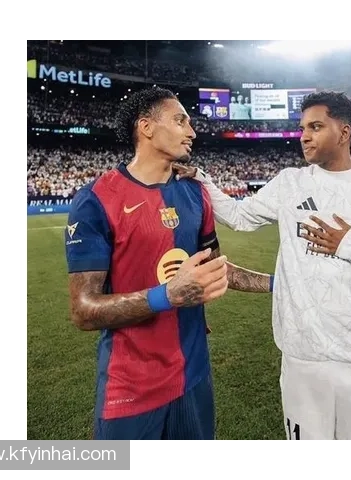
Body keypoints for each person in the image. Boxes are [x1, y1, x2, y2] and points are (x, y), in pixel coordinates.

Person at [174, 91, 351, 440]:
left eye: (316, 127)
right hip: (302, 357)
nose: (304, 136)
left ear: (344, 132)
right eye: (302, 128)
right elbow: (239, 216)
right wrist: (202, 179)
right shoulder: (290, 183)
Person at [64, 87, 273, 441]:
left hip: (193, 374)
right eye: (180, 121)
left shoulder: (196, 193)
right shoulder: (97, 200)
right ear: (146, 127)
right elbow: (83, 310)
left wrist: (277, 282)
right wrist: (167, 296)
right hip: (130, 388)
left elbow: (215, 266)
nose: (192, 132)